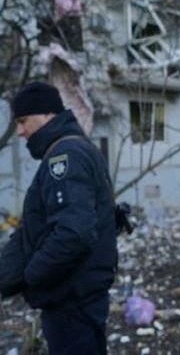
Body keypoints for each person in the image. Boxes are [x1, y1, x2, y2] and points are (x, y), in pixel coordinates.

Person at [0, 82, 117, 354]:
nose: (20, 131)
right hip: (74, 299)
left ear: (47, 114)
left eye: (23, 121)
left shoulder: (65, 156)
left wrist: (32, 275)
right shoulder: (71, 150)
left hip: (72, 303)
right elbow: (35, 231)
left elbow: (74, 233)